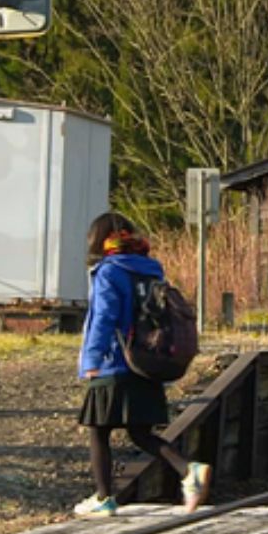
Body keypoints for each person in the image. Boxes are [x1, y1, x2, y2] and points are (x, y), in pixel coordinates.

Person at [74, 212, 210, 517]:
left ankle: (103, 497)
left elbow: (104, 318)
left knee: (98, 429)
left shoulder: (108, 271)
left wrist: (92, 359)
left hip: (114, 362)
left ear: (99, 240)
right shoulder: (150, 271)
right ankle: (188, 470)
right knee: (141, 432)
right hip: (147, 362)